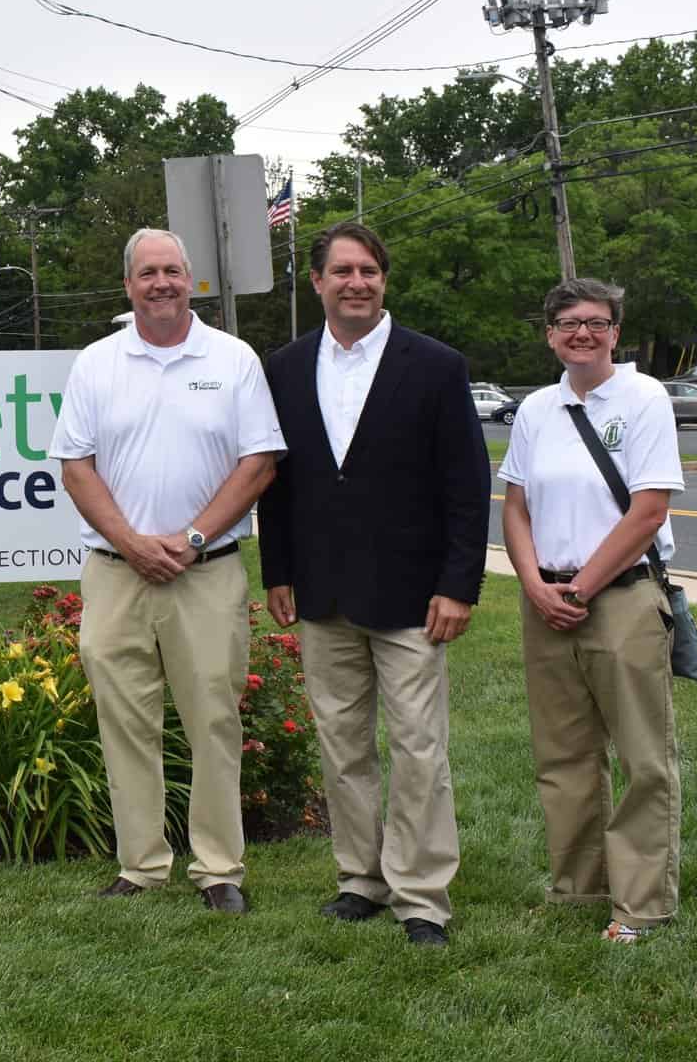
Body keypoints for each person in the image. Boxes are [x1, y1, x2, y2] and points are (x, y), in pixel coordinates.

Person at [255, 221, 489, 947]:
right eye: (343, 271)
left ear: (384, 281)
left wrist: (460, 585)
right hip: (322, 592)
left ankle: (422, 898)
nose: (358, 282)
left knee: (419, 748)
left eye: (370, 271)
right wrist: (279, 571)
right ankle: (360, 879)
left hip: (415, 597)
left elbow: (466, 484)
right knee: (342, 746)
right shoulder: (284, 368)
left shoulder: (436, 365)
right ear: (317, 281)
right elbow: (277, 480)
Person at [48, 228, 282, 914]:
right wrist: (133, 541)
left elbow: (260, 462)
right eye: (148, 272)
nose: (161, 283)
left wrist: (191, 536)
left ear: (192, 281)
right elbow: (76, 466)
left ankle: (218, 870)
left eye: (173, 271)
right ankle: (141, 865)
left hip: (205, 571)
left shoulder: (234, 360)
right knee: (124, 720)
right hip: (117, 572)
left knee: (212, 719)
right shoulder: (96, 363)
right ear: (128, 285)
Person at [498, 278, 684, 944]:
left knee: (643, 759)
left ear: (615, 332)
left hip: (621, 599)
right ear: (549, 332)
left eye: (597, 322)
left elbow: (649, 510)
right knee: (564, 756)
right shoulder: (536, 410)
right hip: (544, 600)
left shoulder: (644, 398)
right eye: (569, 322)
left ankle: (640, 905)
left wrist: (580, 589)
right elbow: (515, 506)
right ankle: (578, 890)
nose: (583, 333)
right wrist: (534, 584)